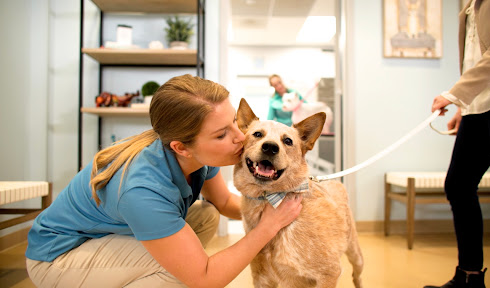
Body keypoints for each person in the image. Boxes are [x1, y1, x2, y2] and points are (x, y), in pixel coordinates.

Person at [25, 74, 303, 288]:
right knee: (182, 274)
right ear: (181, 147)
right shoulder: (142, 189)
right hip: (58, 258)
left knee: (206, 215)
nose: (240, 137)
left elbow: (224, 202)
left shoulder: (197, 158)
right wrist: (268, 226)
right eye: (221, 135)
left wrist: (275, 204)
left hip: (103, 236)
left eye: (234, 123)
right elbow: (205, 278)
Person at [425, 1, 490, 287]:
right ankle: (469, 277)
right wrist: (465, 105)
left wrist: (456, 94)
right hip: (478, 105)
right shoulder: (468, 5)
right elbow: (475, 56)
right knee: (459, 186)